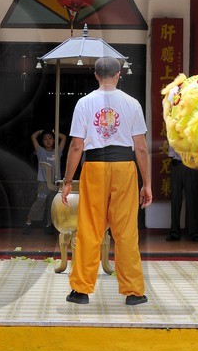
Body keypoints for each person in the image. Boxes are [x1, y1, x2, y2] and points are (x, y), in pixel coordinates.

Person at [59, 57, 151, 305]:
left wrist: (67, 181)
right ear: (119, 73)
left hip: (95, 167)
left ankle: (80, 291)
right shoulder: (132, 103)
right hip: (124, 167)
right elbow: (140, 148)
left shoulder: (84, 103)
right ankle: (134, 292)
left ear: (96, 75)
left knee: (90, 228)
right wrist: (147, 183)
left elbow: (77, 146)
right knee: (126, 231)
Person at [165, 141, 198, 242]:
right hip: (177, 165)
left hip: (191, 165)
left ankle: (194, 232)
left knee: (192, 198)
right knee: (175, 199)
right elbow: (171, 149)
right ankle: (174, 232)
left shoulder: (194, 129)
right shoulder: (173, 129)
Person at [25, 129, 62, 229]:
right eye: (45, 139)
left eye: (50, 138)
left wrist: (55, 133)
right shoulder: (40, 151)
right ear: (42, 142)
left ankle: (49, 225)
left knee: (52, 204)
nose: (48, 141)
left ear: (54, 140)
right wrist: (40, 131)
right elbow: (33, 136)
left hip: (55, 182)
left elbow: (64, 138)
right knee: (40, 201)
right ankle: (28, 222)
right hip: (43, 182)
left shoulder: (57, 151)